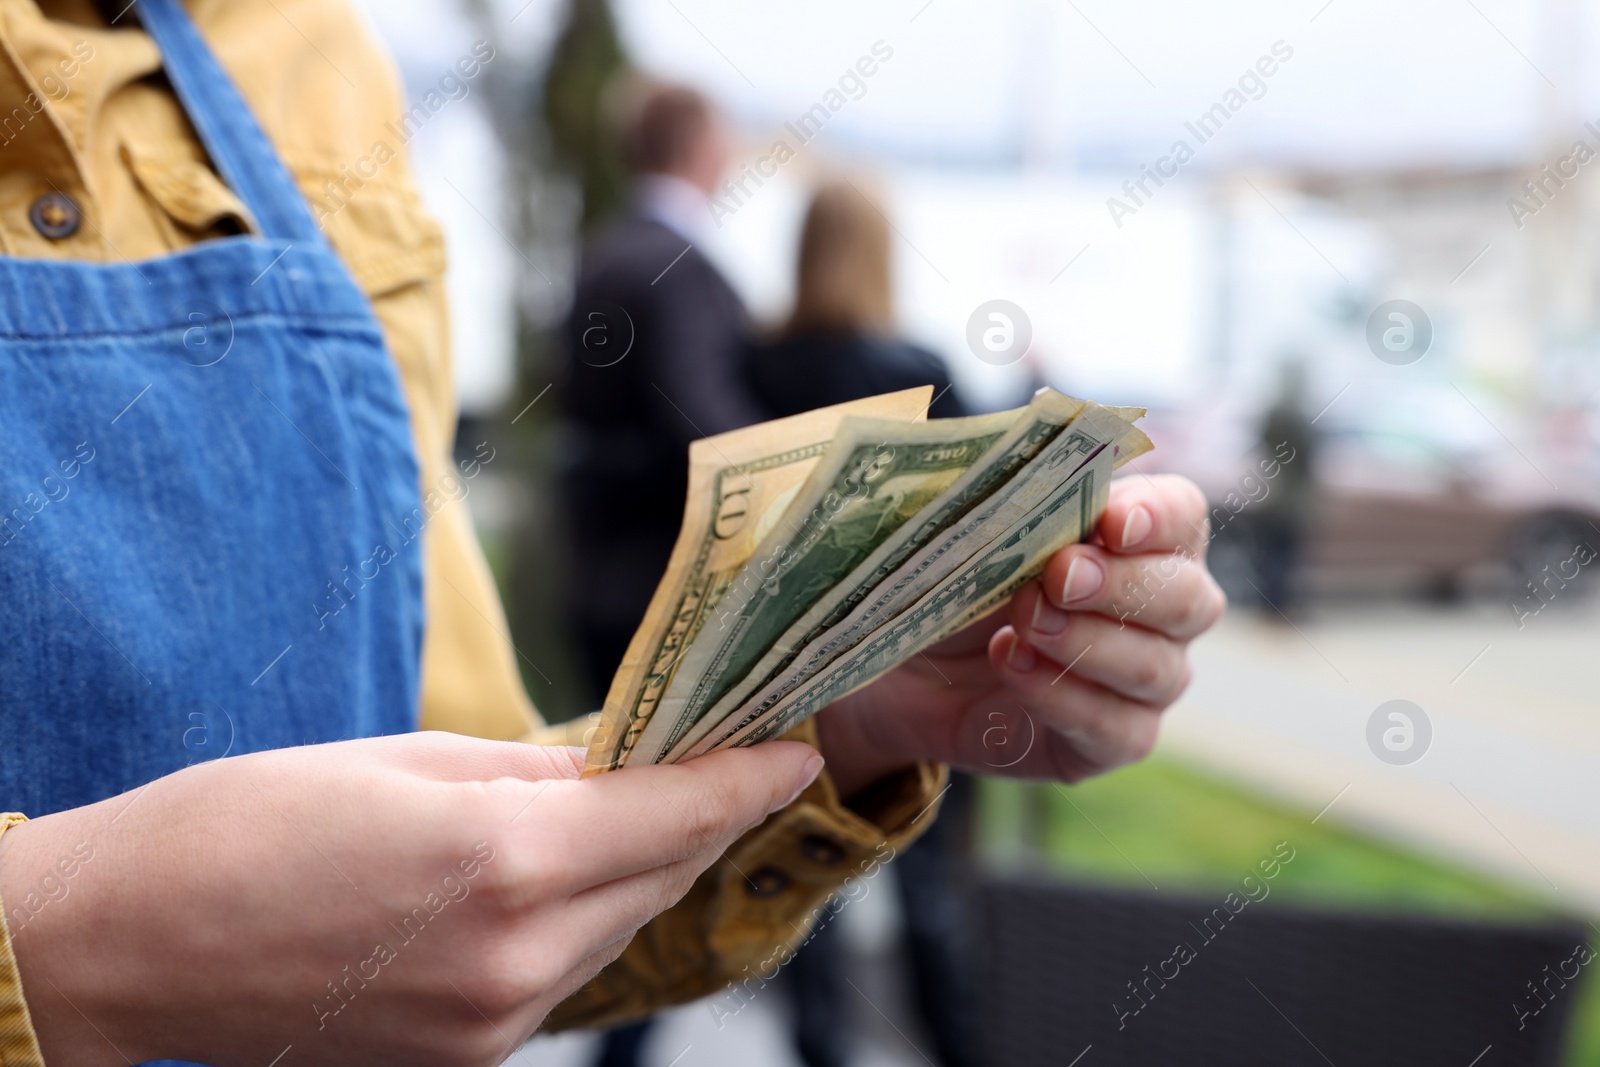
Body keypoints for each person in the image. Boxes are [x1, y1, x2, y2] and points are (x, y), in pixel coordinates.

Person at [0, 11, 1225, 1067]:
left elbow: (464, 864)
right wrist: (66, 945)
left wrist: (840, 704)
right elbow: (716, 436)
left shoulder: (320, 63)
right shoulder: (692, 269)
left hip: (613, 600)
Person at [748, 179, 977, 1067]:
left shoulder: (755, 362)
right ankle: (958, 1049)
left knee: (807, 881)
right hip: (912, 663)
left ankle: (820, 1052)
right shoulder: (916, 364)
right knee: (929, 887)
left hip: (790, 662)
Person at [1255, 359, 1319, 615]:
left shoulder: (1275, 412)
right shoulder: (1298, 415)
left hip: (1273, 493)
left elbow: (1263, 442)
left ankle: (1271, 602)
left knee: (1272, 556)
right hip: (1292, 499)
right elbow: (1310, 453)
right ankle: (1279, 604)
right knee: (1285, 557)